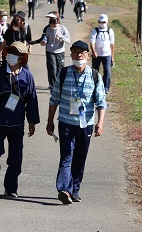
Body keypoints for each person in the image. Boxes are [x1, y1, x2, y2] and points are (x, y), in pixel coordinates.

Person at [46, 40, 106, 205]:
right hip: (66, 122)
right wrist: (49, 121)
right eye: (75, 52)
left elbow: (101, 102)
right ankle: (64, 189)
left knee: (80, 158)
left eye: (82, 53)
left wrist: (100, 123)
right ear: (70, 55)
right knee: (66, 156)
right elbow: (54, 99)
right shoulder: (63, 73)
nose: (78, 55)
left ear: (88, 55)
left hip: (85, 125)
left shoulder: (94, 75)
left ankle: (75, 189)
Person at [0, 42, 40, 198]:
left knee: (16, 159)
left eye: (16, 53)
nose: (11, 55)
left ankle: (11, 188)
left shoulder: (27, 77)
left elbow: (32, 100)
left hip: (17, 124)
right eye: (10, 52)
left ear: (22, 58)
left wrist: (32, 122)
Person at [41, 17, 70, 91]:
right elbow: (45, 39)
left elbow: (68, 40)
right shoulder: (48, 29)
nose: (53, 27)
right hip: (50, 51)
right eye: (52, 26)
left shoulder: (62, 29)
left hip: (60, 51)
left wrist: (62, 37)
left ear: (58, 23)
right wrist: (44, 42)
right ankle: (52, 86)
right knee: (52, 69)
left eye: (55, 26)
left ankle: (60, 85)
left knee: (60, 69)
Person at [90, 14, 115, 95]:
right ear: (98, 22)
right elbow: (92, 42)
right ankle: (95, 86)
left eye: (104, 22)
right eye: (101, 22)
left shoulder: (110, 31)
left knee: (107, 71)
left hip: (107, 55)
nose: (103, 23)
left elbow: (112, 44)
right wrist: (94, 52)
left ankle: (105, 87)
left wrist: (112, 56)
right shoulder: (95, 31)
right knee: (95, 71)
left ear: (107, 22)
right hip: (97, 55)